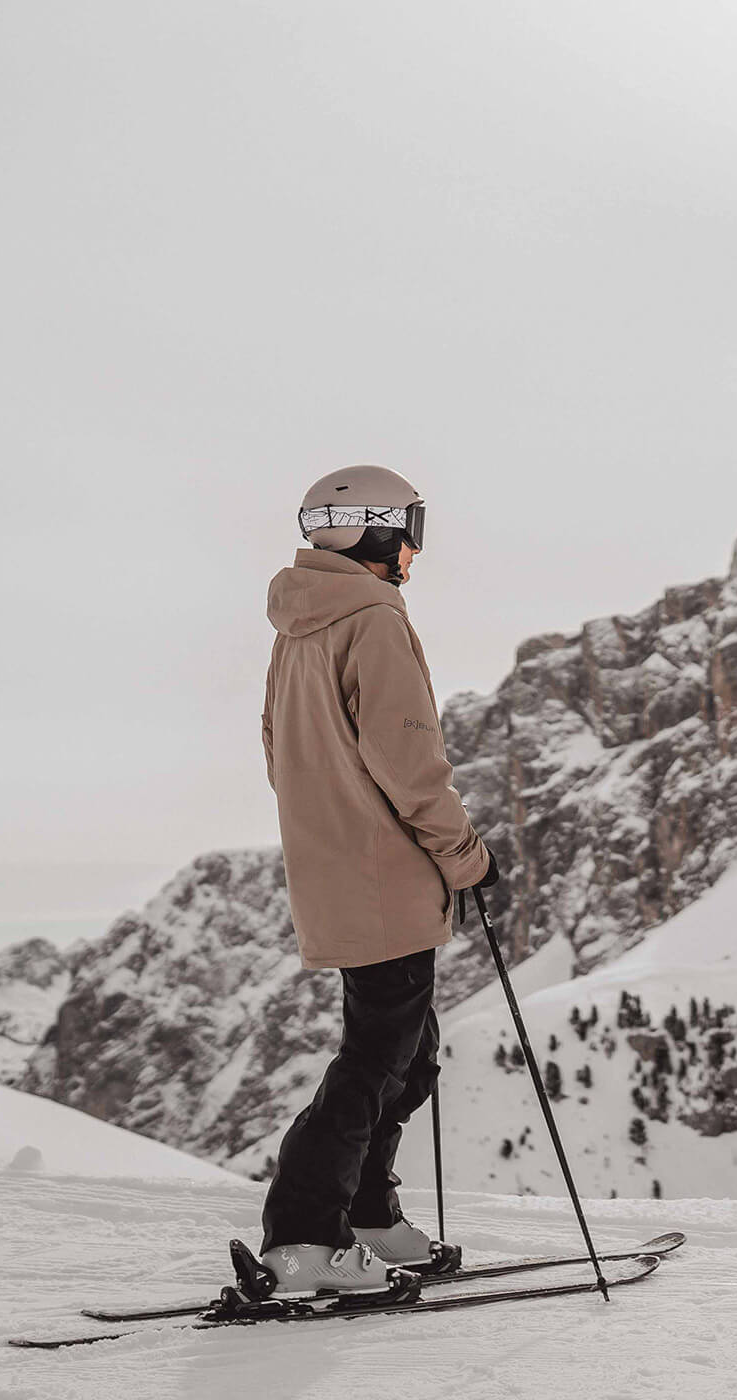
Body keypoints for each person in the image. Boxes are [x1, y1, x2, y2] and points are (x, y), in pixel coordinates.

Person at [256, 464, 500, 1294]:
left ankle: (366, 1214)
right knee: (376, 1060)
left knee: (410, 1054)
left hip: (337, 869)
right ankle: (303, 1235)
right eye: (411, 531)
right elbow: (411, 763)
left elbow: (277, 754)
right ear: (377, 530)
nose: (413, 552)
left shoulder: (298, 628)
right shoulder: (372, 620)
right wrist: (466, 856)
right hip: (383, 873)